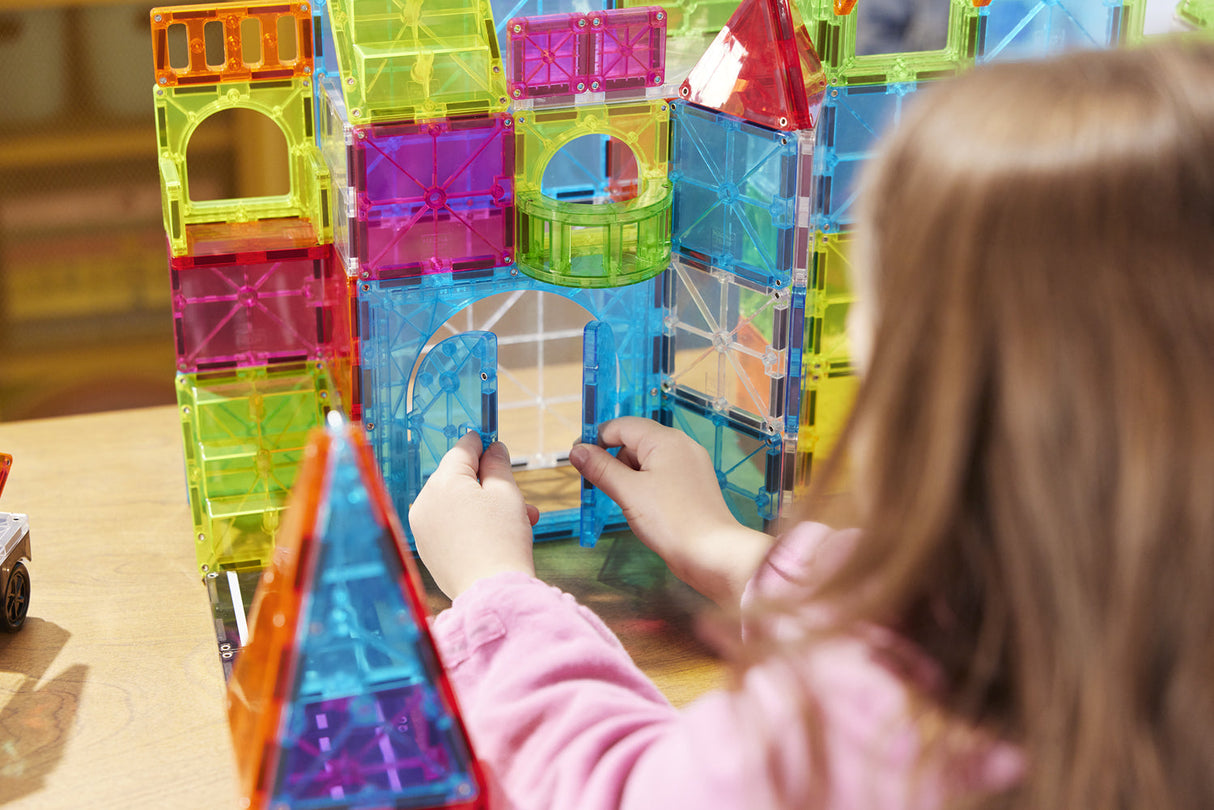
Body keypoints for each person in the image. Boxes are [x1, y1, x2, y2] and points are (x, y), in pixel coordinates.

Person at [409, 38, 1214, 810]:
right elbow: (948, 609)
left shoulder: (877, 726)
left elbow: (614, 790)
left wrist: (494, 590)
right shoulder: (1149, 641)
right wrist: (732, 551)